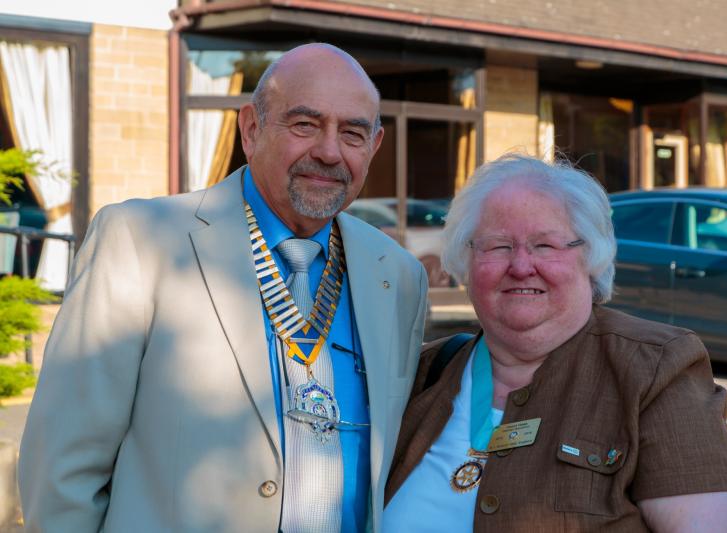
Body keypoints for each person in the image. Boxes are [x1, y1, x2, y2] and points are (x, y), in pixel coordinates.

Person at [19, 43, 428, 533]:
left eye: (353, 133)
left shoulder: (399, 277)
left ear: (375, 146)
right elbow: (62, 473)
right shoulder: (139, 242)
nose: (329, 150)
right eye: (304, 124)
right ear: (252, 130)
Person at [384, 153, 727, 532]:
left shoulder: (653, 372)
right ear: (466, 260)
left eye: (545, 245)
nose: (522, 265)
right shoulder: (425, 373)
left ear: (591, 257)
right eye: (498, 246)